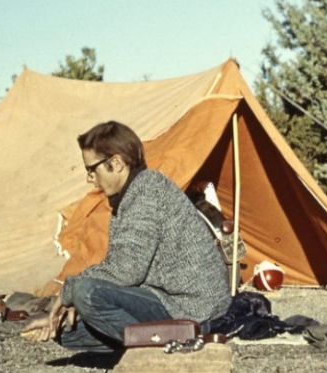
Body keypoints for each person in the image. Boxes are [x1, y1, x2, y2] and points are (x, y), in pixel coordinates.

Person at [34, 120, 231, 353]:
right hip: (165, 300)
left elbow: (126, 270)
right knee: (67, 333)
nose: (90, 179)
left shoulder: (147, 190)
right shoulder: (128, 196)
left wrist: (70, 291)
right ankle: (160, 341)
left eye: (92, 170)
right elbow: (120, 268)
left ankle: (167, 345)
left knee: (85, 292)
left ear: (115, 163)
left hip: (193, 308)